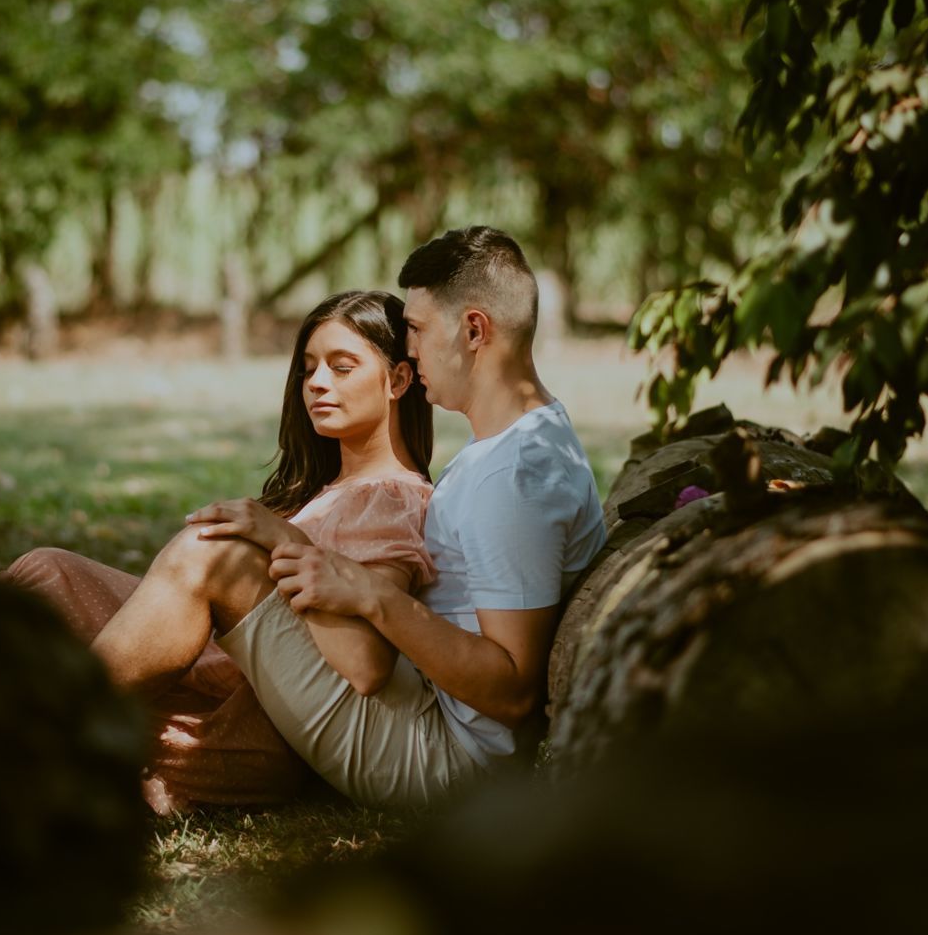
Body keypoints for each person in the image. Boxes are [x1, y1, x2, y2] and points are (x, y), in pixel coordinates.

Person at [101, 226, 607, 808]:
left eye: (417, 329)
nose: (409, 349)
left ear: (474, 330)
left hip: (443, 756)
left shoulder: (513, 478)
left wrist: (372, 595)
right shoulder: (521, 443)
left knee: (210, 554)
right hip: (423, 709)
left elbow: (512, 693)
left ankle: (52, 731)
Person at [0, 290, 436, 813]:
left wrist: (285, 545)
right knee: (49, 571)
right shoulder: (323, 490)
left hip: (256, 722)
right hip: (211, 673)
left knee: (205, 553)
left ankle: (34, 736)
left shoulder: (393, 498)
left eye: (342, 368)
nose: (317, 383)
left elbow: (368, 662)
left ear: (399, 380)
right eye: (309, 369)